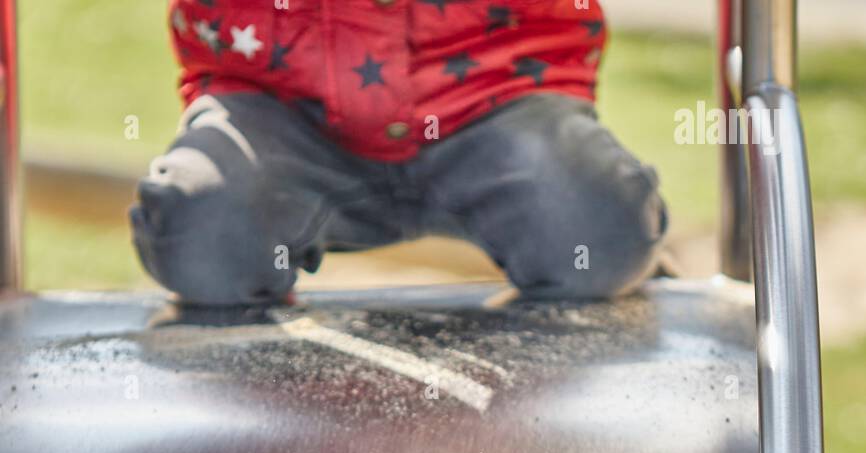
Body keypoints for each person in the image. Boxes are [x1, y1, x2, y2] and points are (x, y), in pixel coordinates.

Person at [131, 1, 667, 306]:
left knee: (597, 236)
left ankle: (599, 225)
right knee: (202, 239)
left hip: (491, 89)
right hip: (281, 105)